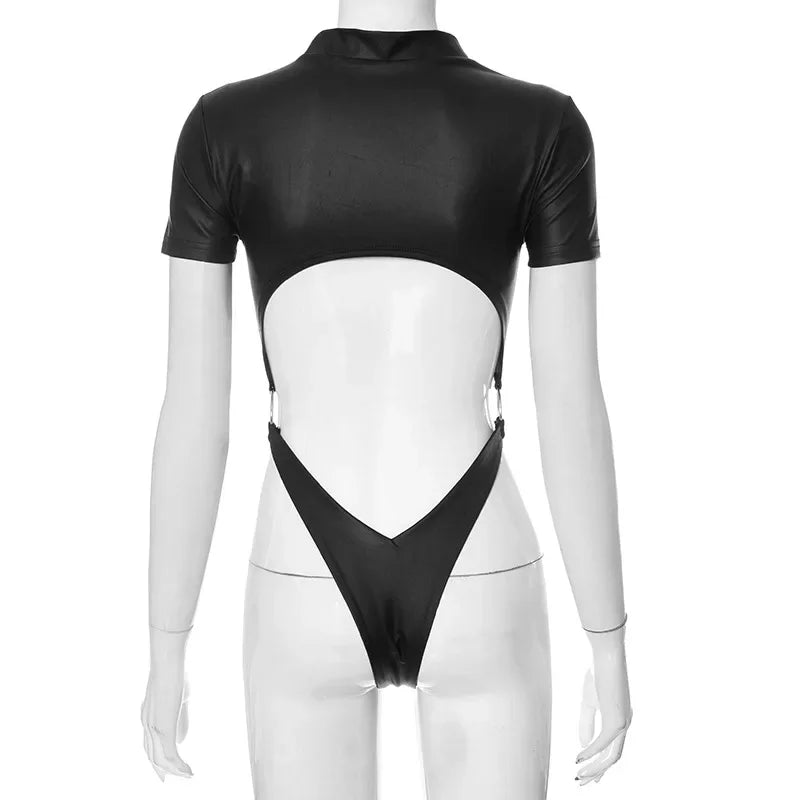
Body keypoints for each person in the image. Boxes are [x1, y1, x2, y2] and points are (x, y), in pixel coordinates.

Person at [141, 2, 633, 797]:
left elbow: (194, 415)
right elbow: (571, 401)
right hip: (480, 563)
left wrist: (167, 646)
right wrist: (607, 638)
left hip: (301, 567)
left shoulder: (225, 128)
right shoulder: (542, 126)